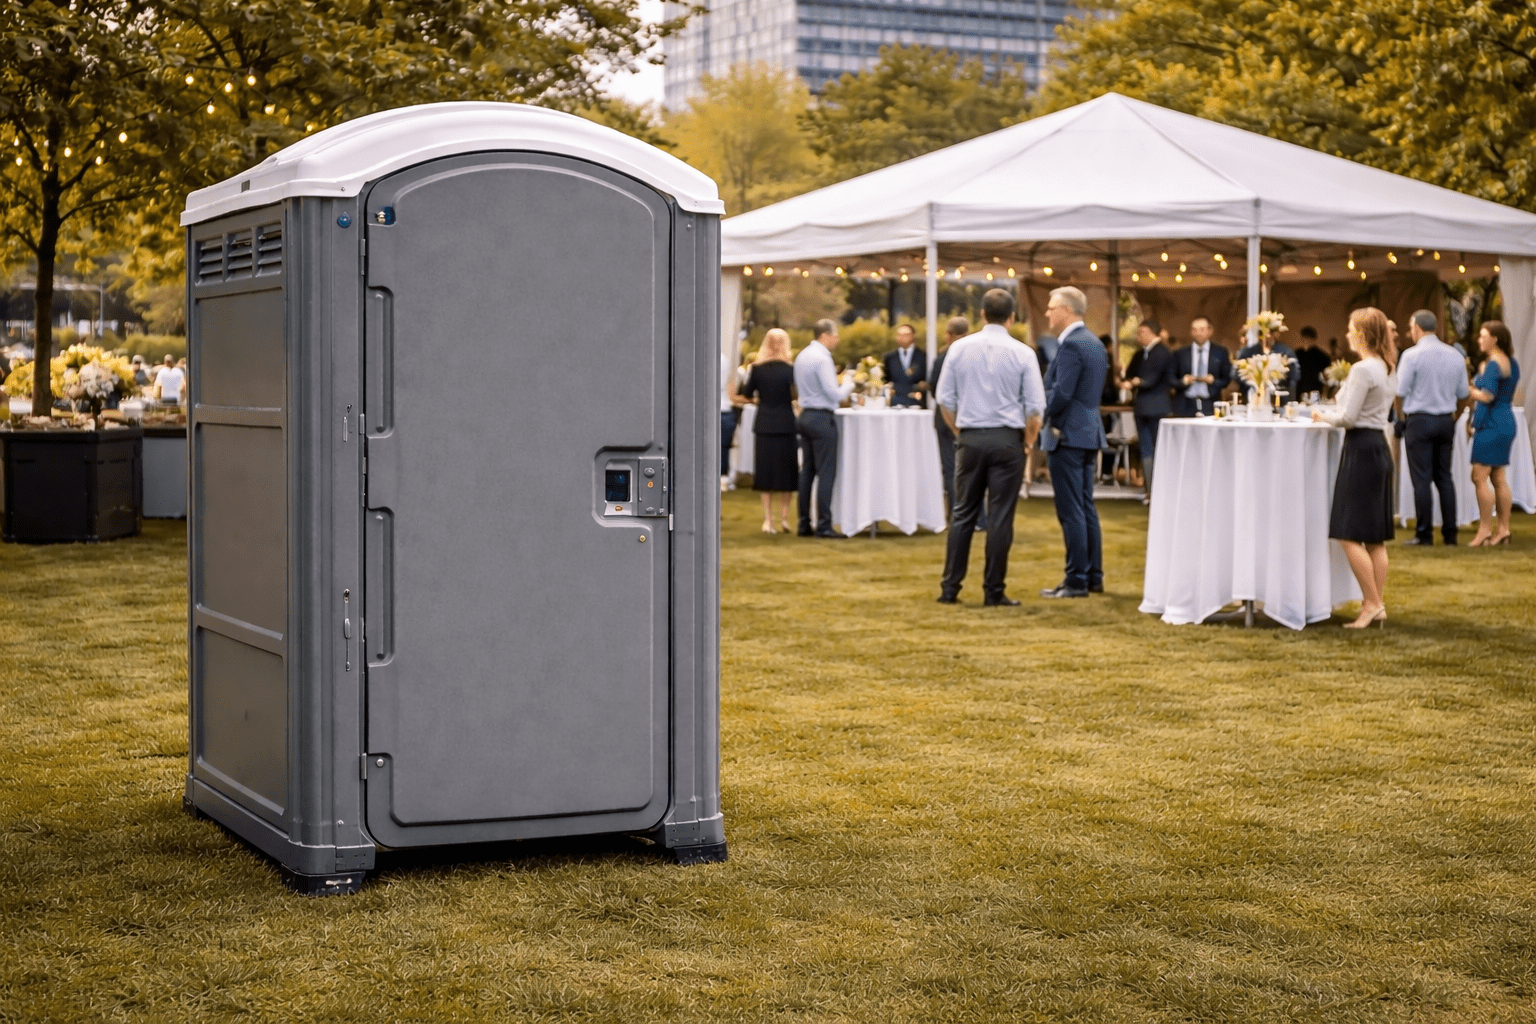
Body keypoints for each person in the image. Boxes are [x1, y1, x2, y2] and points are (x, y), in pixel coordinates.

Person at [935, 289, 1044, 606]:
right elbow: (1034, 409)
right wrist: (1028, 442)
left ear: (982, 315)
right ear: (1012, 318)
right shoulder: (1024, 353)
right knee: (1000, 517)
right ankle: (993, 591)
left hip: (970, 437)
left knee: (962, 514)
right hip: (1007, 439)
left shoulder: (958, 349)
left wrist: (959, 430)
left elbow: (944, 398)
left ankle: (949, 588)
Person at [1312, 307, 1398, 628]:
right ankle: (1374, 603)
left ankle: (1372, 603)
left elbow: (1347, 417)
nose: (1346, 333)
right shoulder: (1388, 367)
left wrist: (1321, 416)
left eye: (1350, 328)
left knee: (1347, 532)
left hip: (1361, 449)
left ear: (1361, 333)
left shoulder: (1363, 370)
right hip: (1378, 448)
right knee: (1375, 536)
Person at [1040, 286, 1108, 598]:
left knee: (1072, 511)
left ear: (1066, 310)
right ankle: (1092, 575)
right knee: (1085, 507)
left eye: (1051, 308)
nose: (1047, 313)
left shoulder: (1071, 346)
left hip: (1066, 433)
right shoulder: (1094, 343)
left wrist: (1038, 409)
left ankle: (1076, 579)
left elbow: (1062, 393)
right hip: (1088, 431)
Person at [1395, 309, 1468, 545]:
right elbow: (1464, 393)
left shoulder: (1411, 355)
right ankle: (1450, 534)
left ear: (1417, 327)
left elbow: (1399, 392)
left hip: (1419, 420)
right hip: (1446, 419)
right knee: (1444, 477)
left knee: (1422, 479)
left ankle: (1424, 533)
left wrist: (1401, 419)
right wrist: (1454, 416)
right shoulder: (1455, 355)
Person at [794, 318, 854, 537]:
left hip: (805, 415)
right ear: (825, 335)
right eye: (835, 335)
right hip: (821, 417)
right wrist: (849, 383)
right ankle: (824, 525)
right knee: (826, 473)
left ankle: (803, 523)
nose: (837, 340)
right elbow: (834, 394)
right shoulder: (822, 358)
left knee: (806, 472)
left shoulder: (802, 355)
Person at [739, 328, 799, 534]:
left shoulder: (757, 369)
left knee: (765, 472)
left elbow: (746, 393)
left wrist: (758, 399)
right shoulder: (791, 369)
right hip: (786, 423)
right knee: (787, 472)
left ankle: (768, 519)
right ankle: (784, 517)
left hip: (764, 423)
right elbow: (796, 394)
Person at [1467, 321, 1521, 547]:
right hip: (1506, 419)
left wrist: (1467, 390)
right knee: (1498, 478)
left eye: (1483, 336)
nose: (1480, 340)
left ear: (1494, 339)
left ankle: (1484, 530)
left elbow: (1487, 396)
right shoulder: (1512, 363)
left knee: (1479, 476)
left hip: (1491, 423)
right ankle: (1503, 530)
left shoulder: (1492, 364)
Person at [1123, 318, 1176, 503]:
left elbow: (1152, 379)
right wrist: (1131, 381)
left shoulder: (1163, 352)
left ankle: (1159, 490)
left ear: (1152, 332)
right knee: (1146, 449)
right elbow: (1129, 374)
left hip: (1158, 407)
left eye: (1141, 332)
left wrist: (1138, 382)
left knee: (1158, 448)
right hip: (1142, 407)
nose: (1138, 336)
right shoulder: (1140, 354)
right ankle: (1149, 489)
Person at [930, 316, 970, 513]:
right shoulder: (974, 354)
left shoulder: (942, 359)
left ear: (948, 335)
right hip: (970, 416)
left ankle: (956, 511)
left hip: (946, 417)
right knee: (972, 469)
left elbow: (934, 390)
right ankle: (978, 516)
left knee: (950, 467)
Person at [1171, 316, 1232, 418]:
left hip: (1210, 403)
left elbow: (1226, 379)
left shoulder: (1221, 352)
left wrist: (1213, 381)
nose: (1198, 333)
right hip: (1184, 404)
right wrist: (1183, 381)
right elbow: (1170, 378)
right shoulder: (1180, 353)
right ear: (1191, 332)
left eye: (1202, 329)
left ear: (1210, 331)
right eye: (1194, 330)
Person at [1235, 324, 1301, 401]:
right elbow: (1236, 374)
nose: (1266, 336)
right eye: (1261, 333)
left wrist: (1289, 398)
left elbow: (1295, 376)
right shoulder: (1248, 352)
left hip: (1279, 398)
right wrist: (1250, 384)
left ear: (1276, 334)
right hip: (1254, 398)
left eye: (1270, 332)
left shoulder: (1285, 351)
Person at [882, 323, 927, 407]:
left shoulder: (923, 356)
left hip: (917, 402)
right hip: (895, 402)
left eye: (906, 335)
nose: (902, 337)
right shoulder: (889, 357)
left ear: (913, 336)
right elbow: (885, 379)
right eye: (899, 335)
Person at [720, 349, 739, 492]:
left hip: (720, 410)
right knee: (723, 449)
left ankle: (722, 479)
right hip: (725, 410)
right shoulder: (724, 359)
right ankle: (723, 479)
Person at [1295, 326, 1330, 398]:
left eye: (1309, 338)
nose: (1307, 340)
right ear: (1302, 338)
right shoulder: (1297, 353)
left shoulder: (1321, 355)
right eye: (1305, 338)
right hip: (1299, 388)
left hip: (1315, 389)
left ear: (1314, 339)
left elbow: (1326, 375)